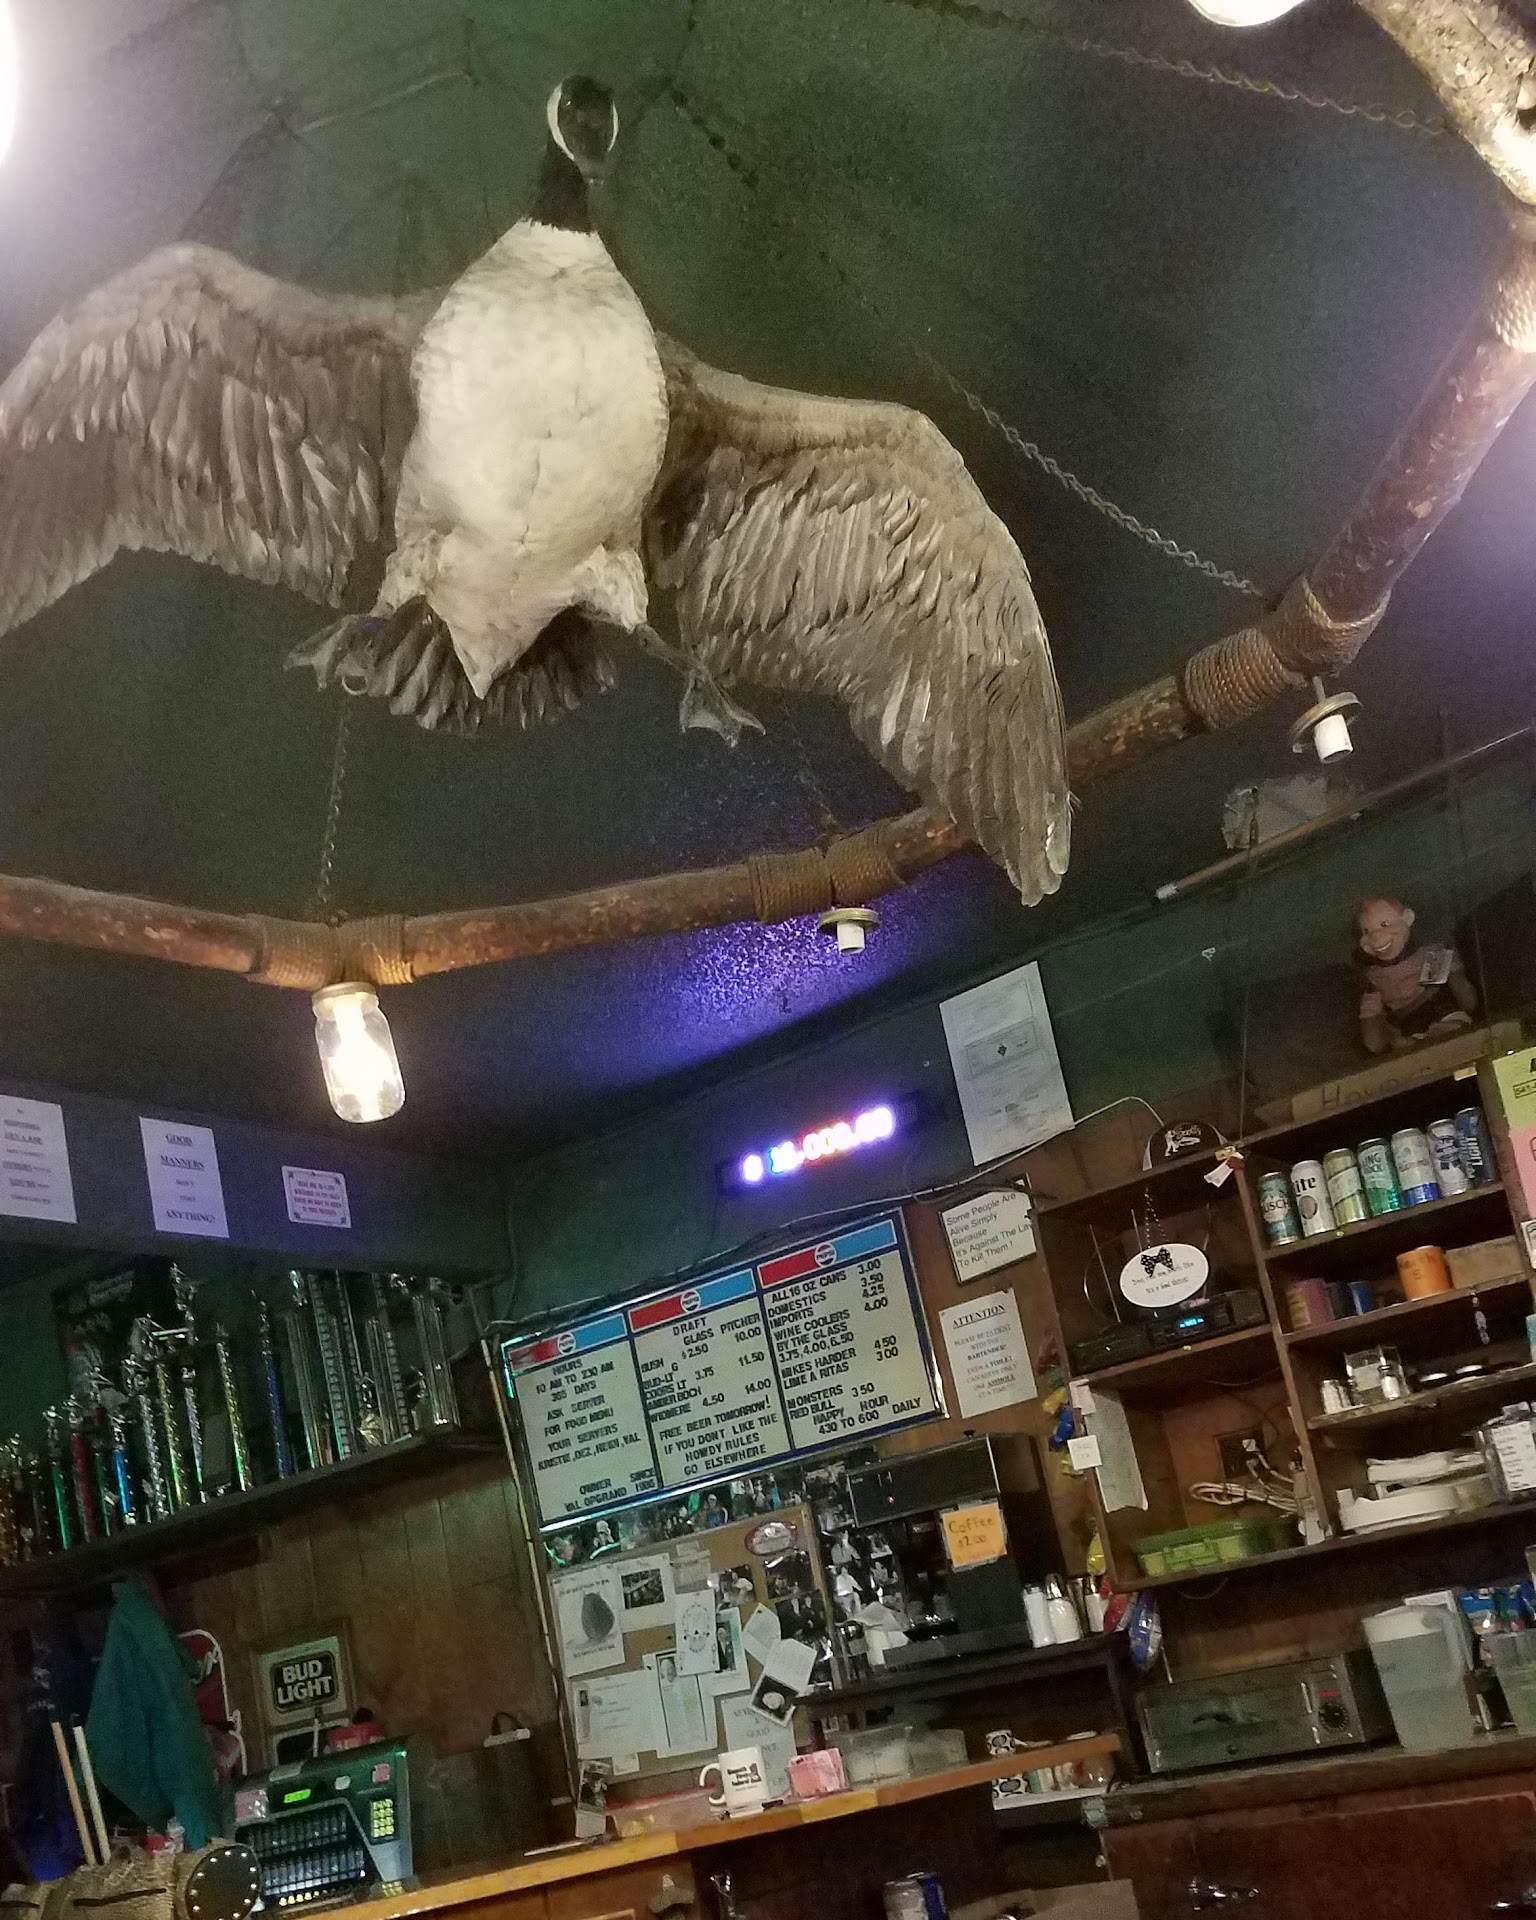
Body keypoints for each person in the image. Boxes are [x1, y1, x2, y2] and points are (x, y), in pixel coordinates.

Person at [1355, 896, 1477, 1055]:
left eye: (1384, 924)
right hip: (1410, 1028)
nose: (1375, 937)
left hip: (1443, 1014)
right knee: (1406, 1045)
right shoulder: (1374, 979)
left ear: (1407, 918)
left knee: (1451, 1028)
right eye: (1367, 931)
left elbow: (1468, 1000)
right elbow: (1373, 1041)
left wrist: (1453, 970)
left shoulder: (1432, 955)